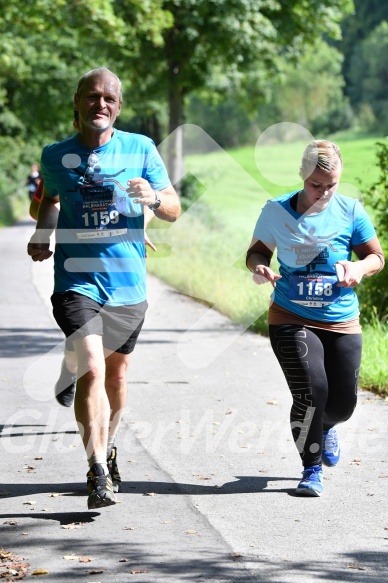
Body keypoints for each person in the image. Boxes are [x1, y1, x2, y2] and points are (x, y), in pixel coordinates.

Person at [27, 67, 181, 509]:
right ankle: (96, 468)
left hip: (128, 286)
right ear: (77, 102)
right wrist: (42, 233)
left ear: (118, 106)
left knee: (116, 375)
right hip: (76, 282)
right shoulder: (56, 155)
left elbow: (173, 208)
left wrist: (151, 198)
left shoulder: (140, 148)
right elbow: (51, 200)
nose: (100, 105)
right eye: (92, 97)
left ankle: (108, 443)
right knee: (92, 368)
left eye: (109, 98)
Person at [246, 140, 384, 497]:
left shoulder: (350, 210)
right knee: (312, 392)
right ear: (302, 177)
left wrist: (358, 267)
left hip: (341, 319)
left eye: (331, 185)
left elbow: (376, 256)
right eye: (315, 185)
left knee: (343, 406)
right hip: (290, 314)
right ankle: (311, 469)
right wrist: (259, 266)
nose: (323, 192)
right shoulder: (276, 211)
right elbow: (257, 251)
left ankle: (324, 428)